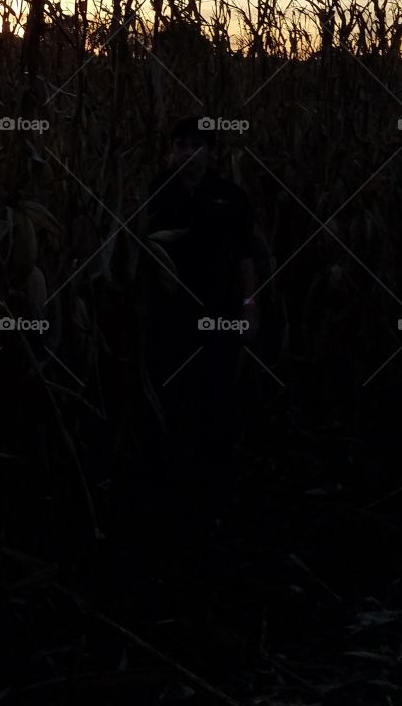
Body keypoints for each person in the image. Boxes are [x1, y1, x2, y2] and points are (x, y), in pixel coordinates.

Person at [139, 115, 258, 542]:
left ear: (212, 152)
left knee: (219, 395)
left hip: (221, 313)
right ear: (170, 150)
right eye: (181, 145)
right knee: (172, 394)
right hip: (169, 317)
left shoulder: (231, 197)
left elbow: (246, 258)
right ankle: (171, 484)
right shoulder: (153, 192)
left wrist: (249, 306)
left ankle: (217, 488)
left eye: (197, 146)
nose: (188, 154)